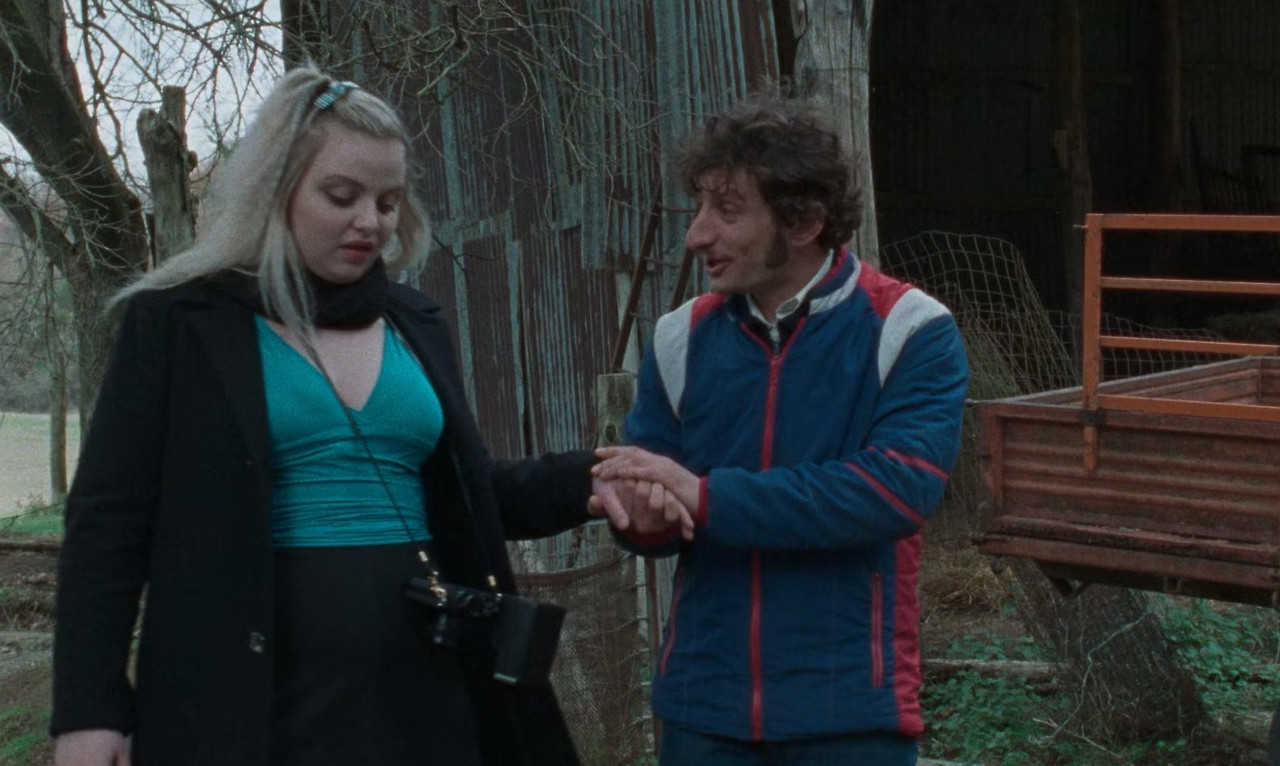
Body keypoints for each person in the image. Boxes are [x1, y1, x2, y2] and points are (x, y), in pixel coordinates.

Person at [51, 67, 627, 766]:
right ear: (277, 189)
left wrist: (586, 482)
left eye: (387, 201)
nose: (371, 222)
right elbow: (107, 525)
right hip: (248, 710)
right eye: (341, 195)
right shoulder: (180, 322)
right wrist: (88, 712)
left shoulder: (415, 322)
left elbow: (468, 492)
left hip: (429, 696)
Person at [590, 99, 969, 765]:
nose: (696, 235)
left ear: (803, 221)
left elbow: (893, 492)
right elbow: (653, 492)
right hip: (703, 711)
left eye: (726, 210)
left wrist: (706, 497)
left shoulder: (910, 329)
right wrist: (641, 514)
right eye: (699, 206)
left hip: (849, 715)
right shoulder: (679, 337)